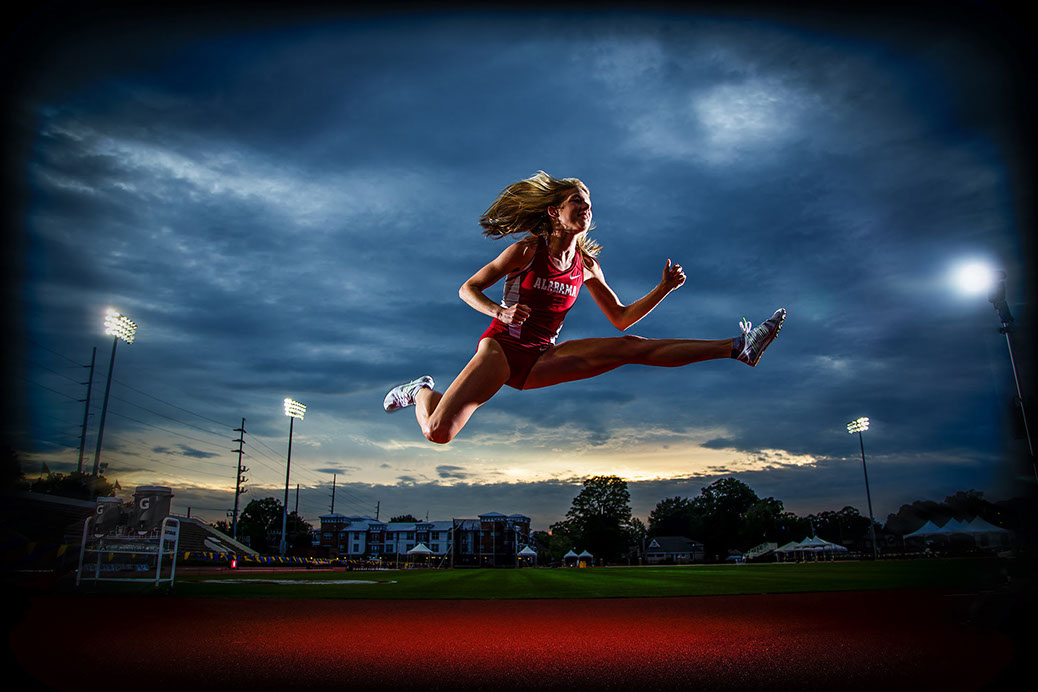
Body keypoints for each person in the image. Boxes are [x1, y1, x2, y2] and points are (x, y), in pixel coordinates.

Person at [384, 171, 785, 444]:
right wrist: (499, 312)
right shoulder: (526, 251)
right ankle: (419, 390)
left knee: (632, 346)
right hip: (501, 349)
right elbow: (467, 289)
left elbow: (621, 317)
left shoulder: (587, 266)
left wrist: (663, 288)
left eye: (589, 203)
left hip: (542, 356)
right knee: (438, 432)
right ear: (554, 211)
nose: (586, 207)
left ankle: (739, 347)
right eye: (577, 201)